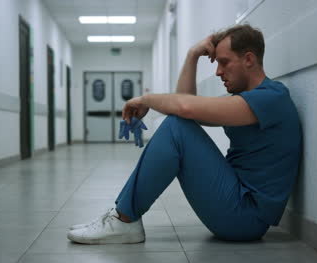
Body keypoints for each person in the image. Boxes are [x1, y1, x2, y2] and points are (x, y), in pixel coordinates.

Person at [67, 24, 302, 244]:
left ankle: (124, 219)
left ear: (249, 59)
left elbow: (185, 107)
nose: (219, 72)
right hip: (235, 201)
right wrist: (192, 55)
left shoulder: (271, 97)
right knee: (178, 123)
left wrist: (146, 99)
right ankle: (122, 216)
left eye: (224, 62)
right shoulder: (249, 101)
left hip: (246, 218)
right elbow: (185, 108)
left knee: (176, 126)